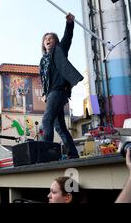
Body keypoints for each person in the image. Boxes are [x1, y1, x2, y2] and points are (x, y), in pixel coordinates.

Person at [39, 13, 83, 159]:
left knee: (46, 120)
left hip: (59, 91)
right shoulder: (43, 60)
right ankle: (73, 154)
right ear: (43, 43)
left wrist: (69, 24)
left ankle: (46, 154)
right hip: (51, 93)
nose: (48, 40)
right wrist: (45, 93)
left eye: (50, 38)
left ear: (55, 41)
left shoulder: (59, 50)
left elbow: (67, 38)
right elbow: (45, 79)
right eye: (45, 39)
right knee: (60, 127)